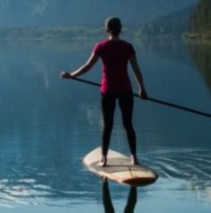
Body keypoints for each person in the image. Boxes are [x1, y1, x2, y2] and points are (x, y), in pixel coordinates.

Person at [60, 16, 147, 166]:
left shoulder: (101, 47)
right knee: (128, 124)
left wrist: (71, 75)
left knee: (108, 125)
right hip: (126, 90)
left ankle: (104, 159)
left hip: (108, 91)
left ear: (107, 29)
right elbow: (136, 71)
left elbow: (87, 67)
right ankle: (134, 158)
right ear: (120, 29)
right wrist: (142, 89)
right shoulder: (128, 47)